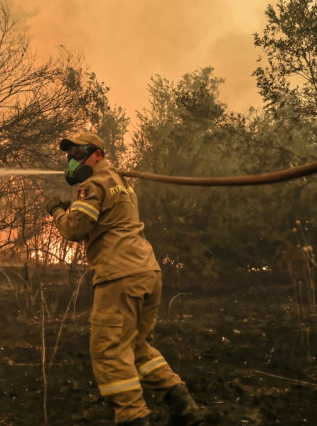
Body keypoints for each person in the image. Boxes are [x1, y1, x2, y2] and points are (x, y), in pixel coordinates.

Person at [45, 132, 204, 426]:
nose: (71, 159)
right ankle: (182, 405)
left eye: (77, 152)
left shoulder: (92, 186)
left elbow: (75, 229)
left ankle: (133, 418)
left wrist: (56, 211)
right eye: (69, 154)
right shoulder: (121, 184)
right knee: (137, 345)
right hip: (147, 271)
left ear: (97, 154)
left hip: (120, 275)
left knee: (108, 351)